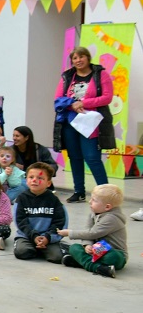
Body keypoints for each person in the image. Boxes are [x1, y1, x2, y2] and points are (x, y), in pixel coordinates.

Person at [53, 46, 115, 203]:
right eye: (75, 58)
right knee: (74, 157)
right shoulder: (67, 76)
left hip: (91, 122)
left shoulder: (101, 74)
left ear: (88, 58)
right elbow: (58, 99)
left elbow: (107, 97)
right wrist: (72, 104)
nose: (78, 60)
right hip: (70, 122)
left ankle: (106, 193)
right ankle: (79, 191)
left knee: (92, 157)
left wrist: (84, 102)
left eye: (81, 57)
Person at [59, 184, 126, 278]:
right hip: (95, 251)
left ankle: (85, 263)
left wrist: (70, 233)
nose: (90, 202)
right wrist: (87, 245)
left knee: (112, 257)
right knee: (74, 248)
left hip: (112, 251)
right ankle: (99, 267)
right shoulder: (93, 213)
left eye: (94, 200)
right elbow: (88, 231)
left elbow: (93, 233)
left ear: (107, 207)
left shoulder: (112, 218)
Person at [12, 162, 67, 262]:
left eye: (40, 178)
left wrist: (48, 237)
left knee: (56, 257)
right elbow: (20, 221)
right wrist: (33, 236)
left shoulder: (54, 200)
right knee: (22, 252)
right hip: (27, 236)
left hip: (48, 238)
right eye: (31, 177)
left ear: (48, 183)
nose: (34, 180)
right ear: (26, 180)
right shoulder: (21, 199)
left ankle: (44, 247)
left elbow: (60, 221)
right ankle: (36, 248)